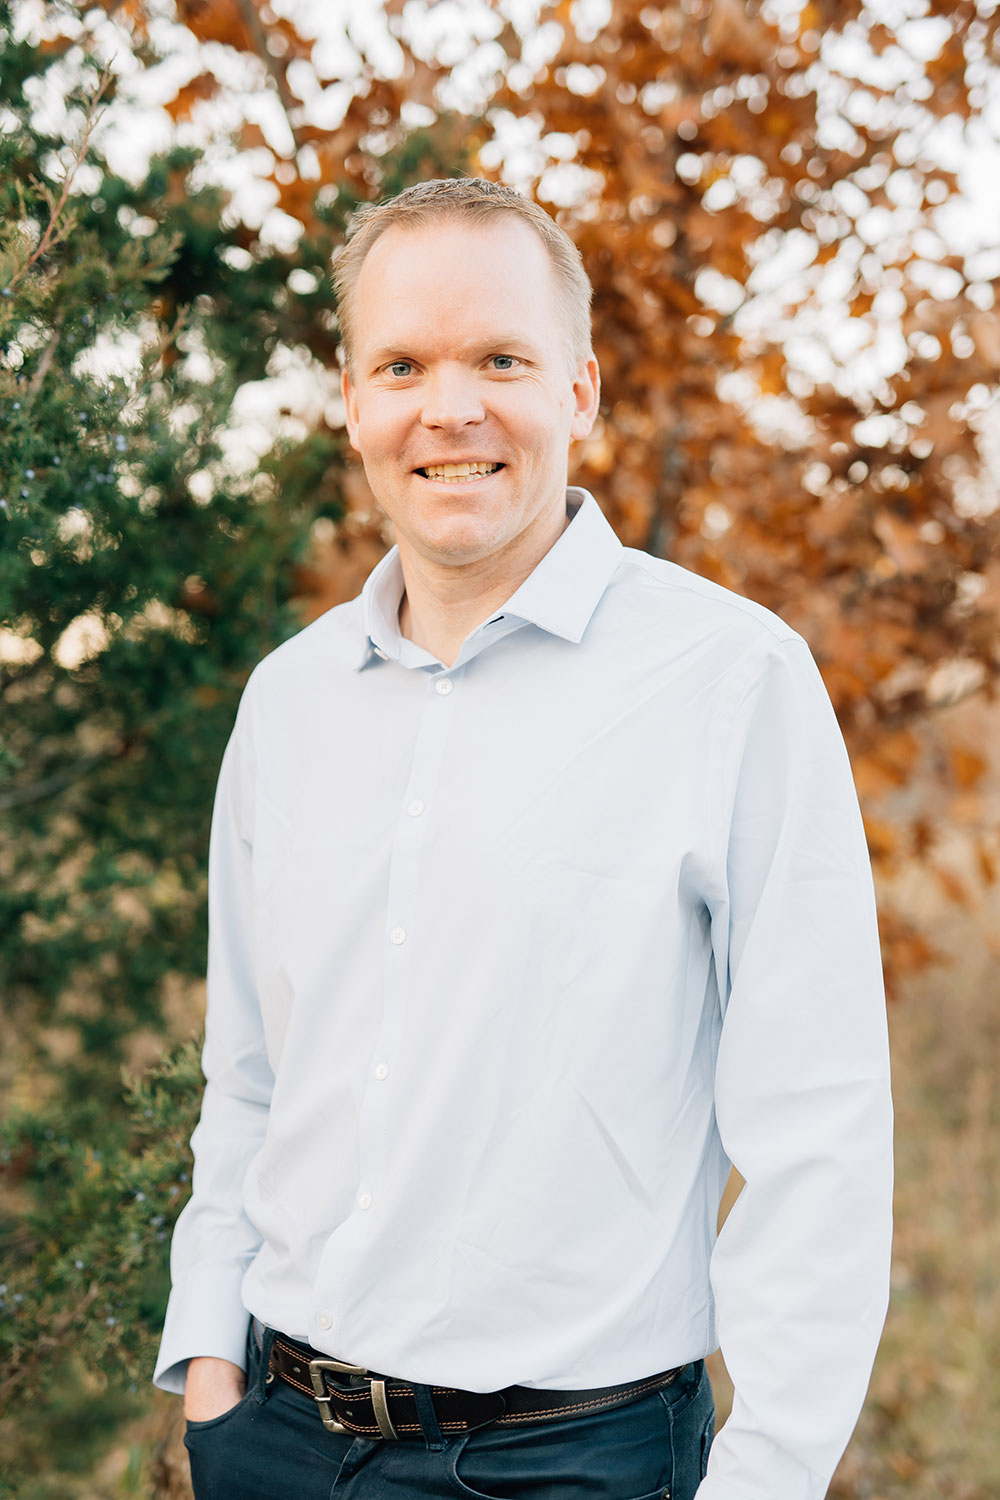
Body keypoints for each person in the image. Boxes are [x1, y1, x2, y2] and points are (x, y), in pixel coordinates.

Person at [155, 177, 893, 1500]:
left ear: (580, 391)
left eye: (501, 358)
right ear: (352, 401)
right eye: (403, 365)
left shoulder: (732, 680)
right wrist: (210, 1363)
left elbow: (819, 1129)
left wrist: (767, 1476)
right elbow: (251, 1075)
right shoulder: (289, 701)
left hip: (574, 1461)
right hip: (272, 1432)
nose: (450, 408)